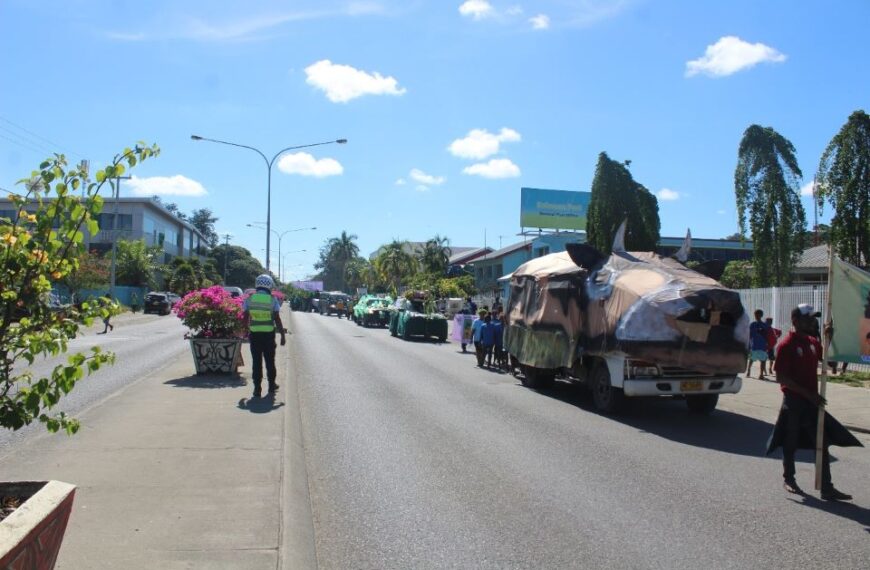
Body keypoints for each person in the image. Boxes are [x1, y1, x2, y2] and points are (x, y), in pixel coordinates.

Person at [769, 304, 857, 501]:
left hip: (811, 401)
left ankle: (826, 487)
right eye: (808, 318)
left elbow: (828, 362)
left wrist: (829, 339)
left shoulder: (812, 342)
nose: (812, 322)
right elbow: (781, 377)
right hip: (794, 401)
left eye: (813, 318)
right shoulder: (786, 345)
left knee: (822, 443)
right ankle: (789, 479)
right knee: (790, 442)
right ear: (795, 321)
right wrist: (808, 395)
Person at [243, 274, 286, 398]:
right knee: (270, 361)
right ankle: (272, 386)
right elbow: (277, 319)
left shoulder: (249, 299)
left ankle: (257, 389)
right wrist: (282, 335)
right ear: (269, 285)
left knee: (256, 362)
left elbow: (245, 317)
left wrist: (244, 331)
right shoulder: (272, 300)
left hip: (254, 335)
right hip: (268, 335)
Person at [746, 309, 769, 379]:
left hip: (758, 345)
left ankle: (760, 374)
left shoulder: (755, 324)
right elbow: (749, 335)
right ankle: (749, 371)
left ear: (761, 315)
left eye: (757, 315)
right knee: (753, 359)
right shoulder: (758, 325)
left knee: (759, 360)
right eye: (756, 315)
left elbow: (749, 335)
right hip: (757, 345)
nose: (756, 316)